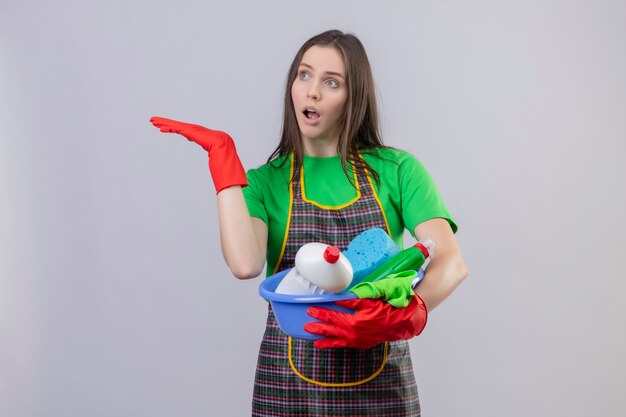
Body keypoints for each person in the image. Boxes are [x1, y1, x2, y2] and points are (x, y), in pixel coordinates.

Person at [150, 29, 467, 417]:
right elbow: (245, 264)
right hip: (288, 391)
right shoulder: (264, 183)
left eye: (331, 82)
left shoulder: (398, 171)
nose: (312, 91)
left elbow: (451, 261)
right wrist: (225, 165)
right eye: (304, 75)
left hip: (382, 388)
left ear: (354, 98)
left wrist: (404, 316)